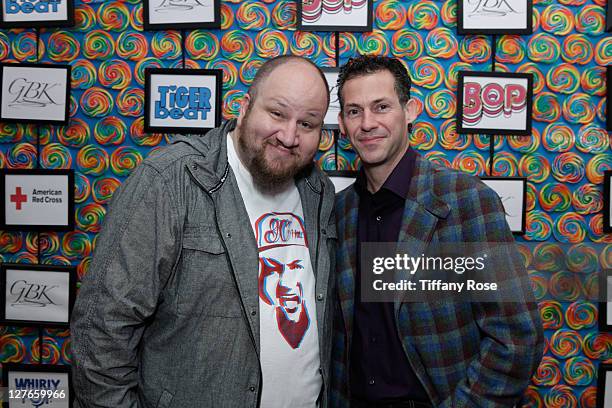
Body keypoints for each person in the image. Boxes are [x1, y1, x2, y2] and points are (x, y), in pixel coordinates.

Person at [71, 55, 338, 408]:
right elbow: (101, 332)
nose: (289, 136)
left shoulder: (319, 192)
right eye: (276, 113)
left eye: (307, 123)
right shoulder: (170, 181)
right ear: (244, 108)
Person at [330, 55, 544, 407]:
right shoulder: (339, 213)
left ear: (410, 110)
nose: (367, 123)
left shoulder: (466, 201)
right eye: (354, 111)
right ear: (341, 123)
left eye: (381, 107)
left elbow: (518, 337)